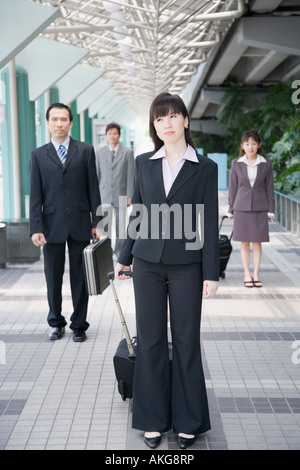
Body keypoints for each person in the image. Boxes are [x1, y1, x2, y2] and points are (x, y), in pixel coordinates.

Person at [115, 92, 219, 449]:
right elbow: (136, 213)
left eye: (173, 116)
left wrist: (211, 273)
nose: (167, 123)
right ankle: (152, 419)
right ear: (154, 126)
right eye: (160, 119)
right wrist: (123, 256)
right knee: (152, 341)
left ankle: (190, 421)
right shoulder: (144, 163)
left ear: (185, 121)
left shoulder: (205, 168)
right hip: (146, 264)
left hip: (188, 266)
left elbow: (207, 223)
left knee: (187, 341)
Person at [29, 103, 101, 342]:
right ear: (48, 123)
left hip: (81, 222)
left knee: (80, 277)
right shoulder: (38, 155)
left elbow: (93, 188)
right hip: (51, 226)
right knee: (53, 276)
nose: (59, 123)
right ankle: (56, 322)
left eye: (63, 119)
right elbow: (35, 194)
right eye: (54, 119)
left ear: (71, 123)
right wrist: (35, 228)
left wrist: (97, 221)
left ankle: (79, 324)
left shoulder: (86, 150)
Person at [227, 129, 275, 288]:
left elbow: (270, 188)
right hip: (241, 207)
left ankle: (256, 274)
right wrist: (230, 209)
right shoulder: (236, 163)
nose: (250, 147)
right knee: (244, 242)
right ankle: (247, 273)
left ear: (259, 145)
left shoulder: (266, 163)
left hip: (260, 208)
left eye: (254, 143)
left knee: (257, 242)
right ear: (242, 145)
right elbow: (233, 187)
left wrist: (271, 209)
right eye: (247, 144)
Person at [95, 123, 134, 258]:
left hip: (122, 195)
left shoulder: (127, 152)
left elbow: (131, 175)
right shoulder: (99, 152)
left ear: (119, 135)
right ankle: (106, 253)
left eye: (115, 133)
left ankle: (120, 253)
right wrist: (95, 196)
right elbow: (97, 175)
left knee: (121, 227)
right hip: (104, 195)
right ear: (106, 135)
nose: (112, 136)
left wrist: (130, 195)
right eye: (110, 133)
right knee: (105, 227)